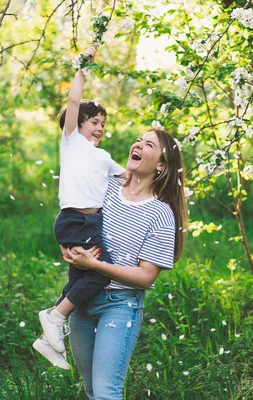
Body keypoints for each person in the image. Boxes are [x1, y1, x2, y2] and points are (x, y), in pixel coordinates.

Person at [62, 127, 188, 399]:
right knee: (92, 390)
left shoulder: (161, 214)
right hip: (81, 299)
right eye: (139, 140)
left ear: (162, 165)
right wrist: (68, 247)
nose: (139, 145)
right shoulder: (106, 186)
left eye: (150, 145)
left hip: (120, 305)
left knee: (107, 393)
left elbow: (146, 277)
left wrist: (95, 266)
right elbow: (75, 215)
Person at [32, 45, 126, 370]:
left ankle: (47, 339)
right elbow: (73, 100)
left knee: (79, 276)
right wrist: (82, 66)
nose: (99, 127)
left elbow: (129, 180)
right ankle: (55, 316)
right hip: (74, 221)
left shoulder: (103, 157)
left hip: (92, 223)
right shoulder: (72, 143)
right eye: (94, 121)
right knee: (100, 274)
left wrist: (162, 172)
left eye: (103, 123)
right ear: (79, 124)